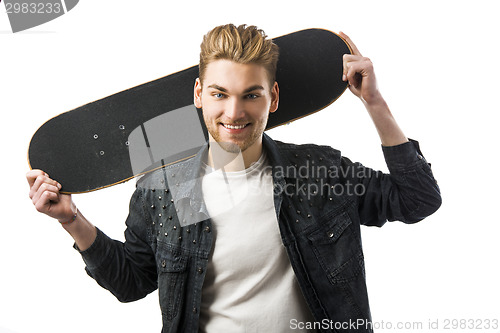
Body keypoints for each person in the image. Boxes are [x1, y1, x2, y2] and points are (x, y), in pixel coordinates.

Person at [27, 24, 441, 332]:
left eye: (251, 95)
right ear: (198, 94)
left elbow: (418, 199)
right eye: (220, 94)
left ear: (273, 98)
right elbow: (133, 282)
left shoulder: (317, 173)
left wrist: (374, 102)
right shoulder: (171, 189)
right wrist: (71, 220)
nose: (234, 113)